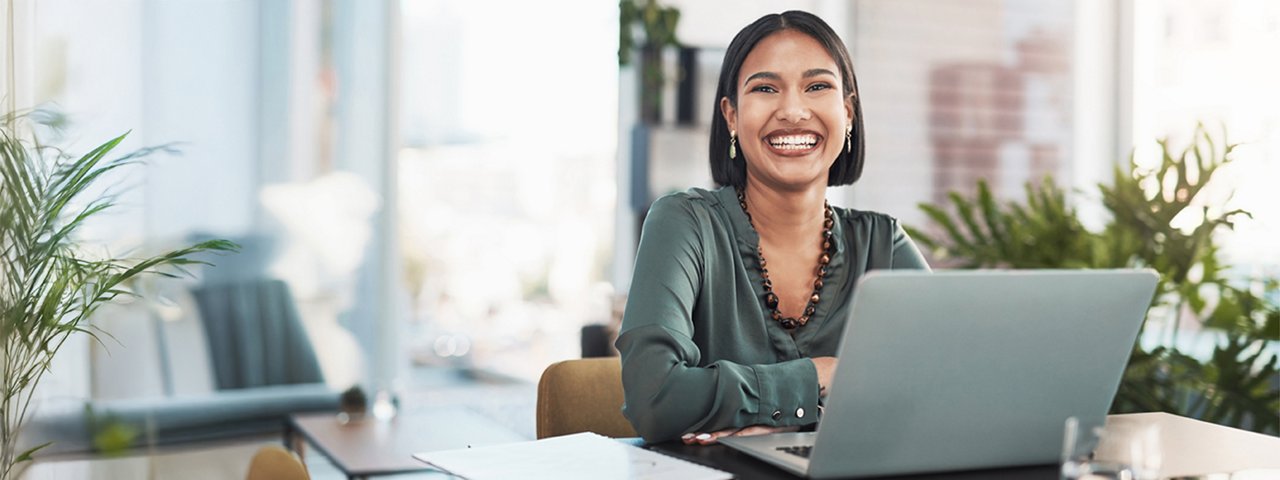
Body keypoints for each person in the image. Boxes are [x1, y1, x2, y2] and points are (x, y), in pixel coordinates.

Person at [615, 10, 931, 445]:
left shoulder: (882, 245)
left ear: (848, 111)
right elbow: (655, 399)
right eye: (765, 88)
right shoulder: (684, 223)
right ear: (731, 115)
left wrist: (792, 415)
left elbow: (946, 387)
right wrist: (821, 374)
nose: (793, 111)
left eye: (817, 86)